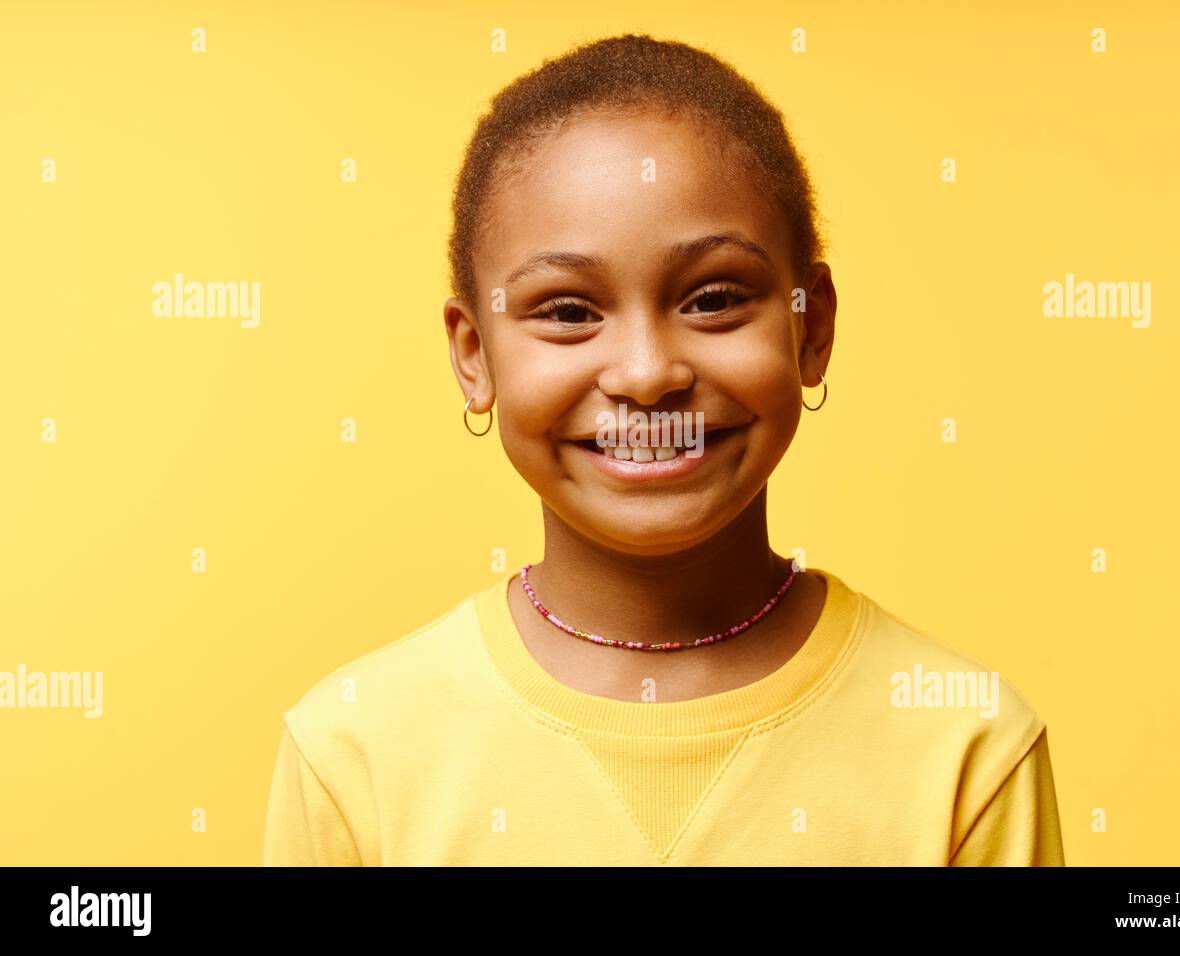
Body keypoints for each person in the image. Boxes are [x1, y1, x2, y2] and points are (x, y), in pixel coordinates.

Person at [262, 33, 1065, 866]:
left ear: (811, 325)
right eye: (569, 311)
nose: (647, 376)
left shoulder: (965, 747)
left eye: (714, 299)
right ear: (474, 355)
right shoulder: (354, 752)